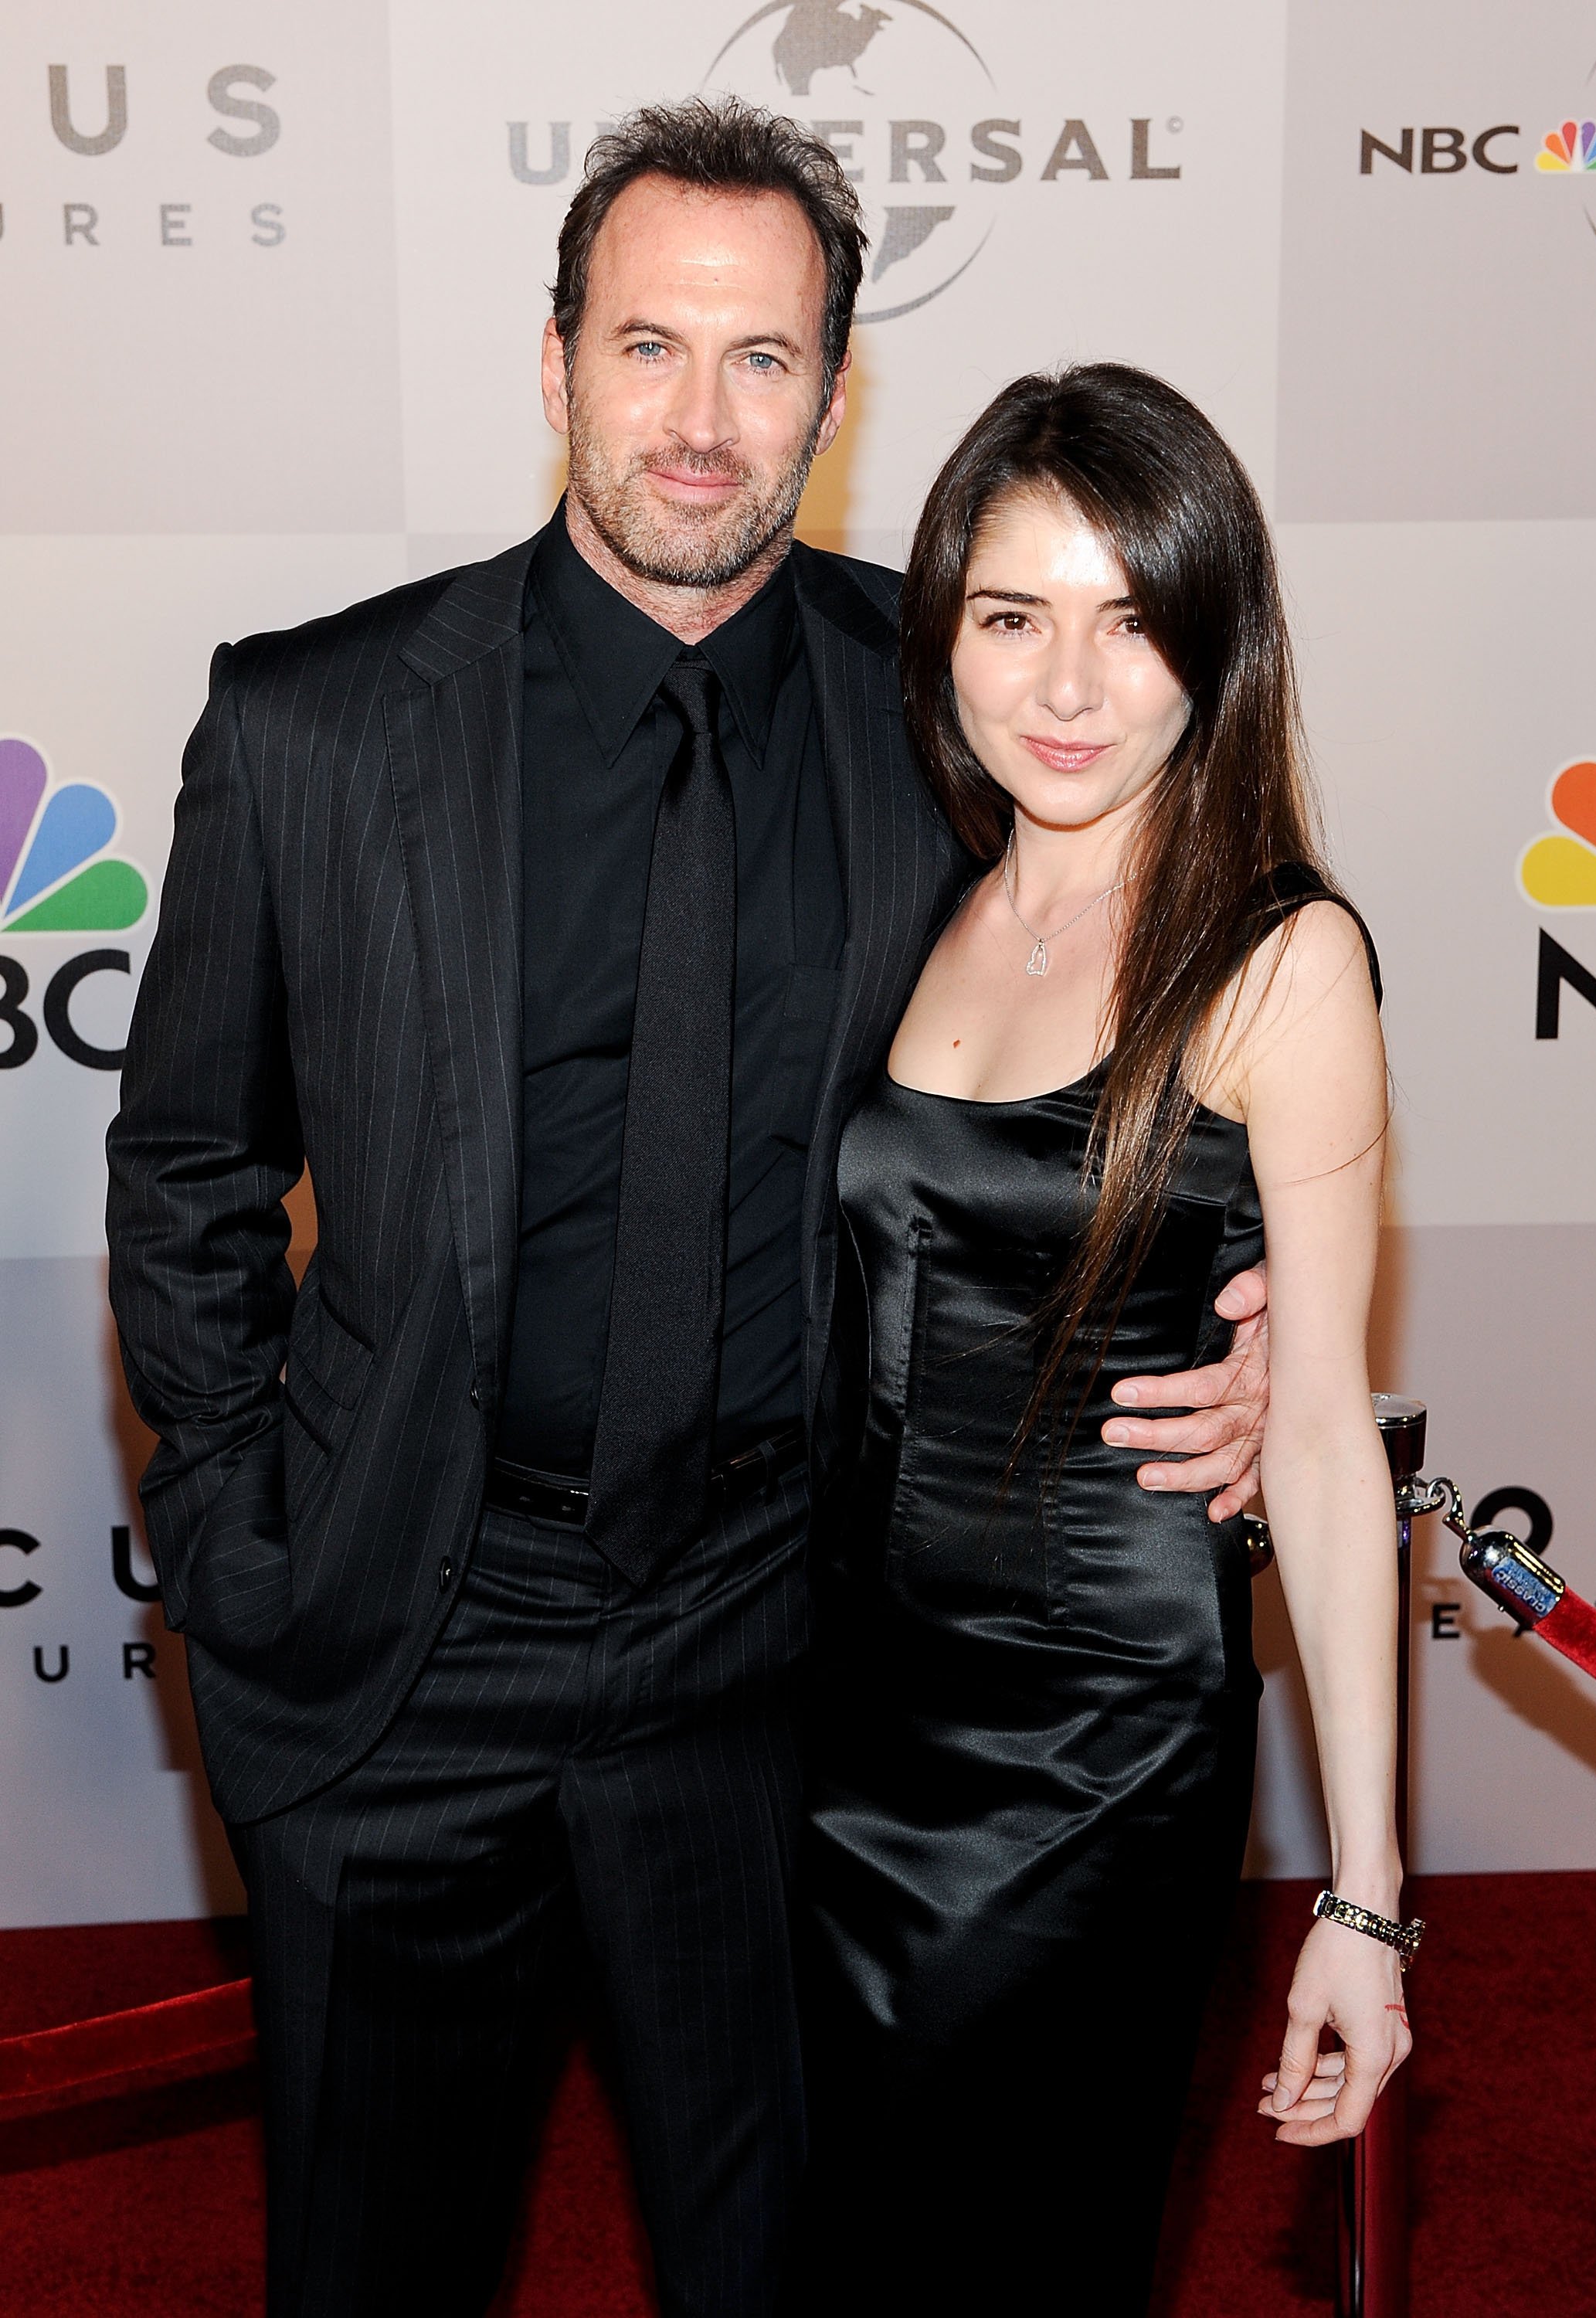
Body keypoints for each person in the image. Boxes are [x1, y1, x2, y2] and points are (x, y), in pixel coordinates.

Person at [104, 104, 1268, 2318]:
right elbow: (184, 1169)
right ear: (555, 367)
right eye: (651, 347)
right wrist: (249, 1536)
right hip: (401, 1645)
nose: (704, 421)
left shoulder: (949, 708)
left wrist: (1258, 1285)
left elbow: (1182, 1010)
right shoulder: (318, 727)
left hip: (772, 1651)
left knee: (793, 2269)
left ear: (838, 396)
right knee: (379, 2262)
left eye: (764, 361)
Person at [800, 365, 1413, 2315]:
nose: (1066, 687)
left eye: (1129, 620)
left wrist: (1365, 1902)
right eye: (1011, 617)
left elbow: (1315, 1438)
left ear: (1209, 642)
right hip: (846, 1715)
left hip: (1087, 1743)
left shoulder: (1271, 953)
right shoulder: (935, 896)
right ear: (943, 635)